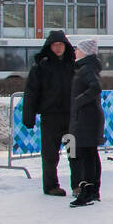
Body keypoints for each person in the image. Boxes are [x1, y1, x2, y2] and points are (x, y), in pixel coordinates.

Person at [22, 29, 75, 196]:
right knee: (50, 155)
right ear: (49, 46)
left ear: (66, 46)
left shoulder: (73, 65)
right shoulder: (41, 67)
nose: (58, 48)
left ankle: (78, 185)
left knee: (74, 153)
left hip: (70, 117)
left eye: (60, 45)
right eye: (55, 45)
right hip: (50, 117)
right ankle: (51, 186)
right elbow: (31, 92)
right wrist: (28, 116)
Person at [68, 38, 105, 208]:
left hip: (87, 119)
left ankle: (87, 191)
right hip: (89, 117)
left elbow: (95, 87)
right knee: (90, 154)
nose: (75, 52)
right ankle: (93, 190)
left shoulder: (86, 68)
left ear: (85, 52)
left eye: (78, 49)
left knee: (86, 156)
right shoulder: (87, 67)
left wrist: (79, 100)